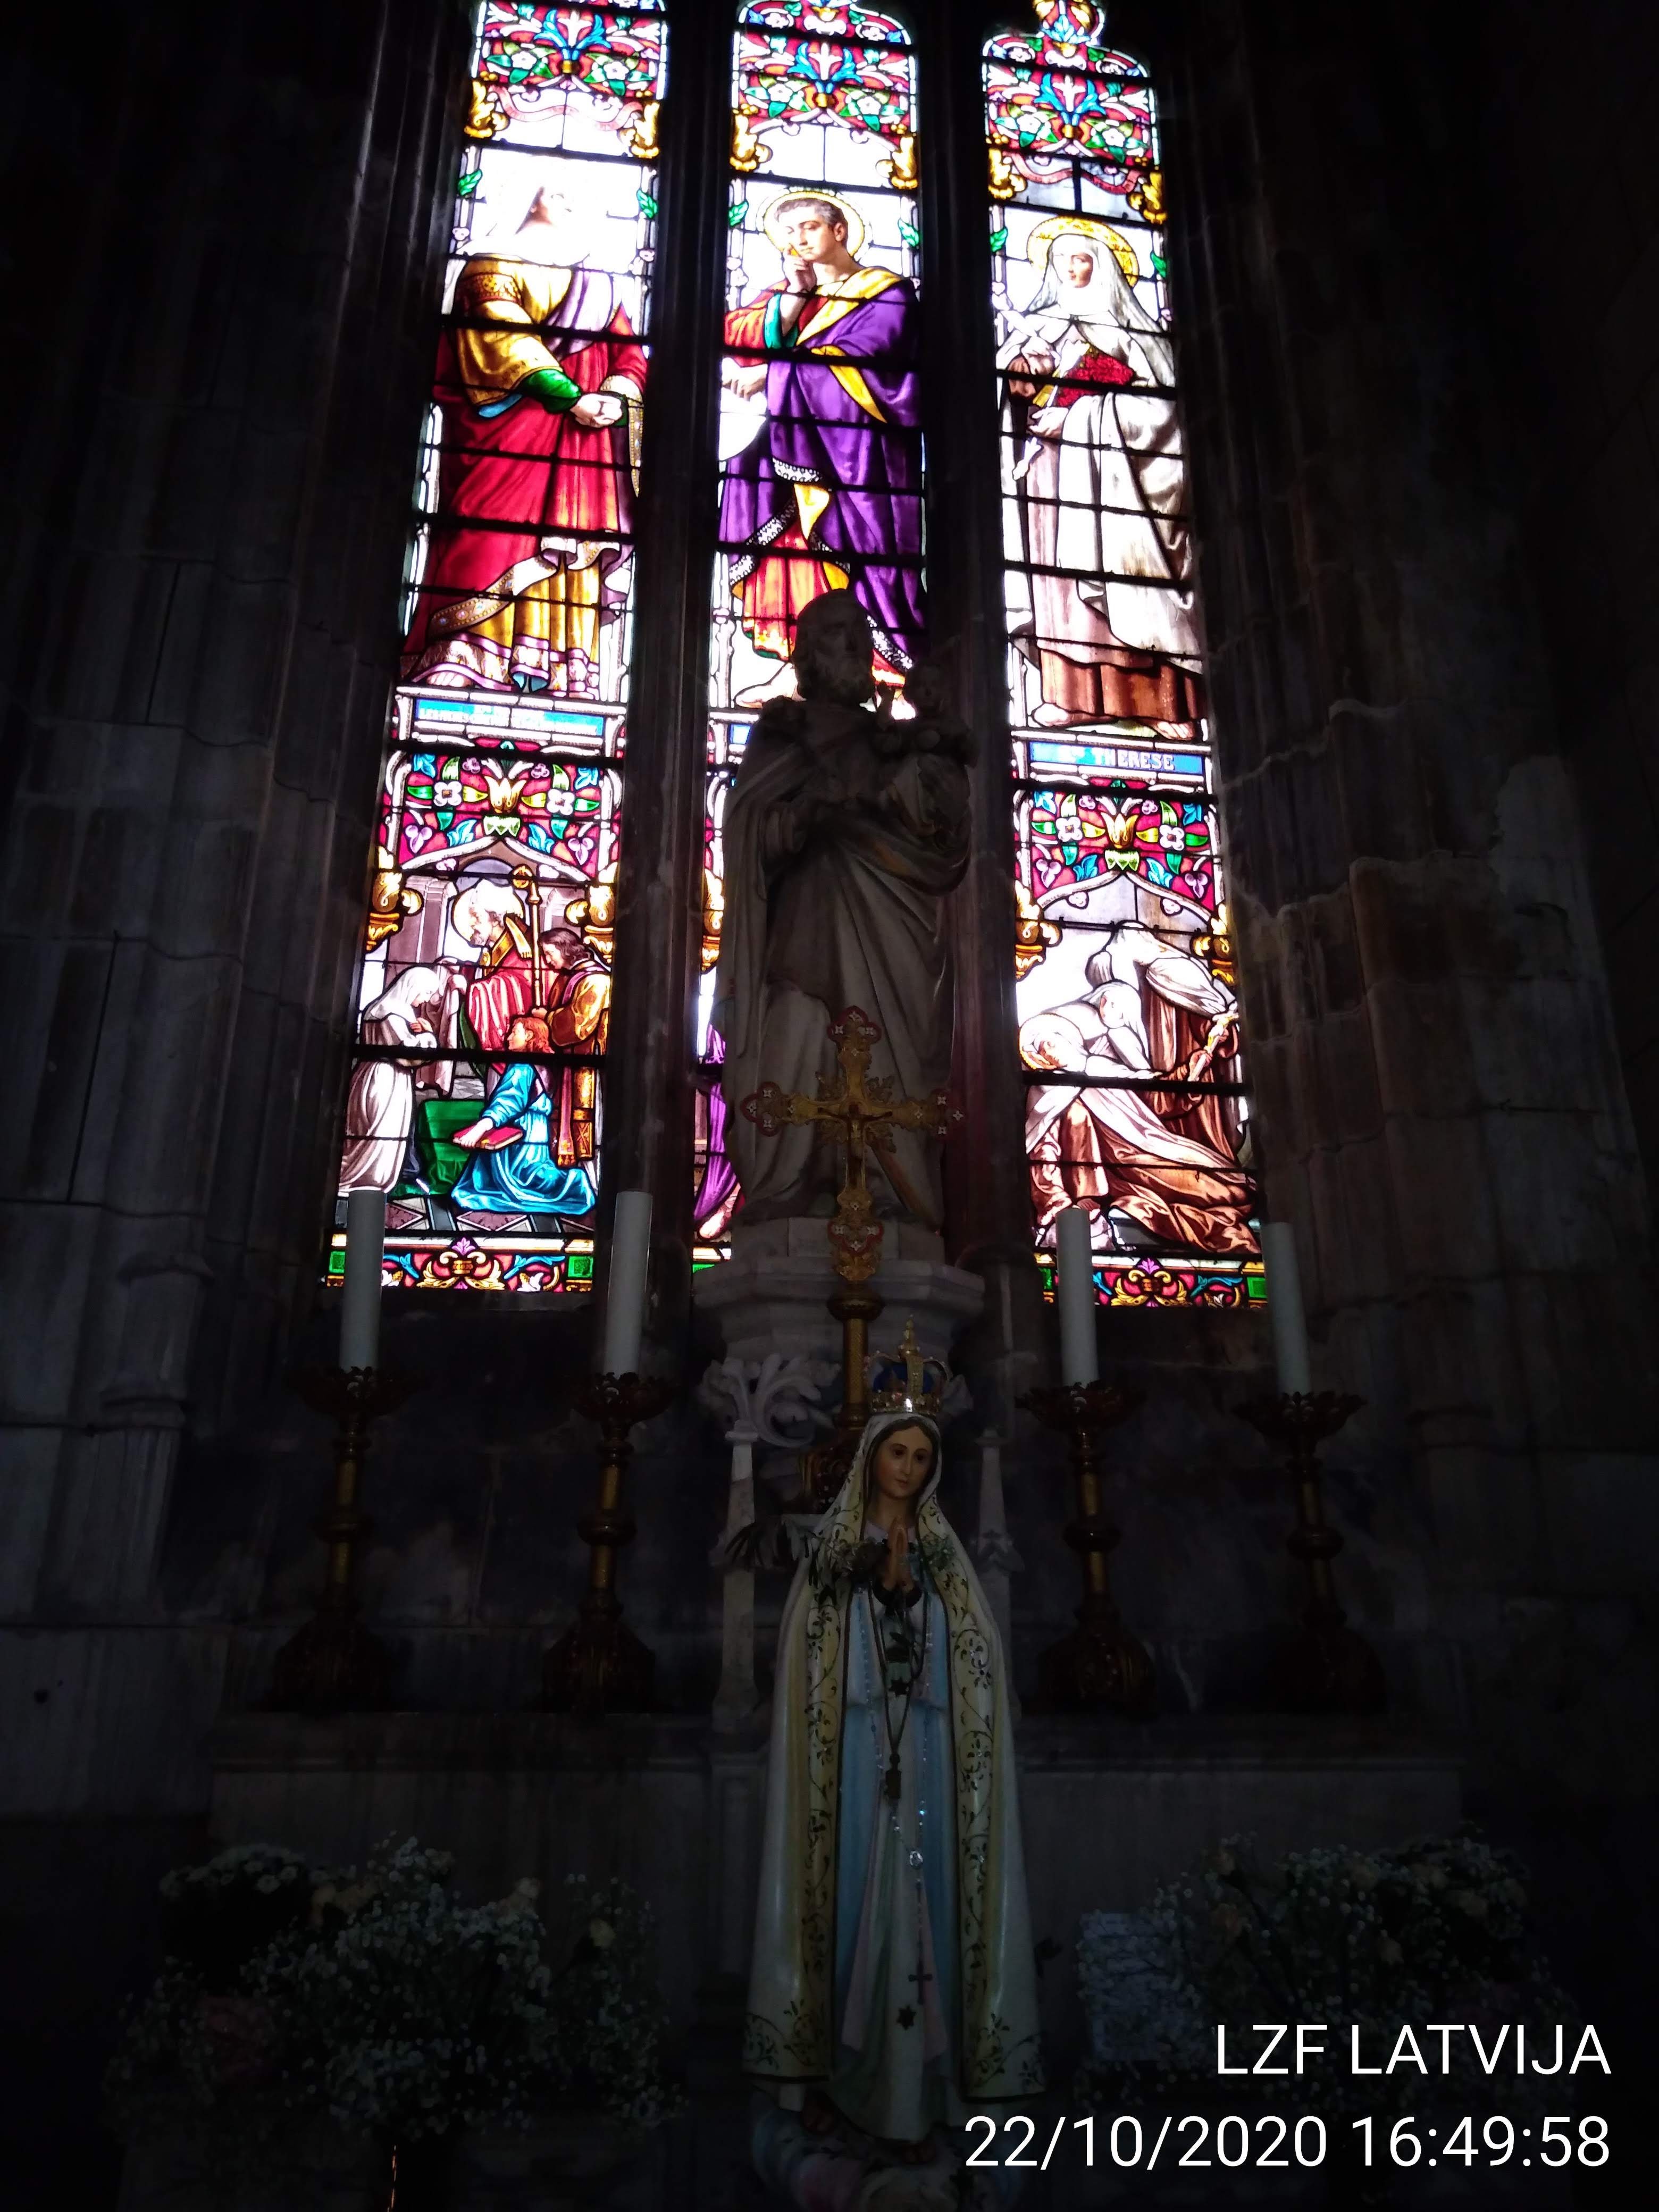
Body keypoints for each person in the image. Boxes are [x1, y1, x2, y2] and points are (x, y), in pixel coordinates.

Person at [745, 1412, 1044, 2153]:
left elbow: (973, 1656)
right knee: (847, 1898)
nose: (907, 1468)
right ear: (872, 1459)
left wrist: (915, 1598)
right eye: (896, 1453)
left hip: (928, 1762)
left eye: (919, 1456)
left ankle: (933, 2081)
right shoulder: (835, 1550)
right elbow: (812, 1656)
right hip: (852, 1762)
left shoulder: (944, 1554)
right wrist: (878, 1595)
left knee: (930, 1901)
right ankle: (835, 2074)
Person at [711, 591, 970, 1226]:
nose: (853, 645)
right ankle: (790, 1186)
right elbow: (750, 831)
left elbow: (943, 835)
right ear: (805, 655)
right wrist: (808, 811)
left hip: (895, 933)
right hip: (806, 931)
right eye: (835, 634)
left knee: (889, 1056)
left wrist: (926, 777)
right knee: (796, 1035)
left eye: (860, 632)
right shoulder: (785, 736)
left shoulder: (895, 740)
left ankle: (893, 1192)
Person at [401, 186, 647, 697]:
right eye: (559, 192)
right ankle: (464, 656)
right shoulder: (490, 265)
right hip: (508, 437)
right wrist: (570, 396)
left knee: (571, 547)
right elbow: (501, 339)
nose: (574, 202)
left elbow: (629, 357)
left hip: (582, 451)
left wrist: (614, 395)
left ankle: (561, 673)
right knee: (488, 533)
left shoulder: (598, 285)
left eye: (579, 198)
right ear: (531, 199)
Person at [998, 219, 1203, 726]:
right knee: (1061, 589)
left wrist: (1080, 418)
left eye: (1082, 258)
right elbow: (1012, 403)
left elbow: (1164, 415)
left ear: (1104, 266)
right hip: (1049, 475)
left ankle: (1158, 705)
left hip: (1117, 488)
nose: (1071, 269)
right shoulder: (1041, 325)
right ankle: (1072, 699)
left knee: (1122, 583)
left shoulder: (1132, 332)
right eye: (1062, 260)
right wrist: (1023, 377)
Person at [721, 191, 924, 690]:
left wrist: (775, 375)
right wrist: (793, 298)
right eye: (790, 232)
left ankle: (881, 673)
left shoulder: (887, 293)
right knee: (789, 545)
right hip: (785, 449)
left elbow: (869, 360)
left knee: (860, 550)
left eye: (809, 227)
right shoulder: (788, 292)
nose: (799, 240)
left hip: (858, 456)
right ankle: (797, 669)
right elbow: (734, 337)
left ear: (839, 231)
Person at [1020, 923, 1253, 1254]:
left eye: (1053, 1041)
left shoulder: (1106, 1063)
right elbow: (1043, 1156)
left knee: (1223, 1186)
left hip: (1152, 1148)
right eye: (1043, 1046)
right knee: (1213, 1190)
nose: (1050, 1049)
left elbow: (1155, 1095)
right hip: (1115, 1177)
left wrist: (1199, 1061)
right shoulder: (1047, 1090)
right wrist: (1058, 1205)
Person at [449, 1012, 596, 1220]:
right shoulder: (544, 1066)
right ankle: (572, 1185)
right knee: (533, 1173)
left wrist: (479, 1129)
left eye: (514, 1032)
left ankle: (574, 1183)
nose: (508, 1037)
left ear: (529, 1036)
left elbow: (507, 1104)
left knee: (512, 1179)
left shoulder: (522, 1066)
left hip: (519, 1136)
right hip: (537, 1134)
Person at [339, 965, 462, 1194]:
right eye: (426, 993)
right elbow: (408, 1054)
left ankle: (368, 1185)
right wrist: (428, 1036)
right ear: (412, 986)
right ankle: (366, 1188)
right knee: (379, 1139)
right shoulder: (392, 1013)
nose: (425, 1000)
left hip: (369, 1077)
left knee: (369, 1136)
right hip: (386, 1081)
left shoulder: (380, 1009)